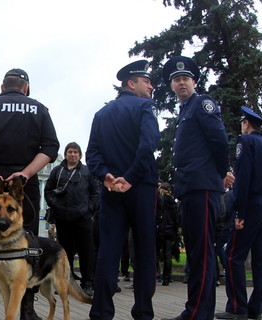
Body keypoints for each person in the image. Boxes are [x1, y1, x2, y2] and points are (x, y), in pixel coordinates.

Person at [0, 68, 59, 320]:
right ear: (25, 88)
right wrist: (25, 174)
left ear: (2, 87)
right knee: (28, 245)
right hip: (22, 188)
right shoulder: (39, 109)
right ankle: (27, 310)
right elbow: (50, 147)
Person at [86, 59, 160, 320]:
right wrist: (131, 177)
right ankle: (142, 312)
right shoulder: (146, 107)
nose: (151, 86)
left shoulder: (102, 114)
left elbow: (92, 152)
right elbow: (148, 144)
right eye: (146, 81)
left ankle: (101, 312)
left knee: (108, 250)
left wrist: (106, 176)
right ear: (132, 83)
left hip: (112, 191)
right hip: (140, 188)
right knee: (144, 250)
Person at [160, 56, 231, 320]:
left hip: (202, 187)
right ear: (171, 86)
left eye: (185, 79)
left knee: (201, 253)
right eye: (176, 80)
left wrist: (218, 175)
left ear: (194, 82)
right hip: (190, 189)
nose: (181, 83)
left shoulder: (202, 103)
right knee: (197, 251)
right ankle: (197, 309)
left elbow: (220, 141)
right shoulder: (185, 110)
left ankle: (198, 313)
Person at [215, 107, 262, 320]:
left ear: (246, 124)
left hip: (251, 203)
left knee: (234, 256)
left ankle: (237, 307)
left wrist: (239, 210)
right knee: (261, 258)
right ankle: (255, 309)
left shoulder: (245, 141)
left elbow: (243, 177)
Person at [44, 141, 99, 296]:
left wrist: (89, 209)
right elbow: (48, 191)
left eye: (75, 152)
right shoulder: (57, 171)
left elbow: (96, 193)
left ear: (80, 155)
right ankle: (65, 282)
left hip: (83, 218)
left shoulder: (88, 172)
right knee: (64, 252)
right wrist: (55, 206)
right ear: (66, 154)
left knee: (86, 251)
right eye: (70, 152)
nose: (73, 154)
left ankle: (88, 283)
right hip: (63, 218)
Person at [156, 182, 180, 286]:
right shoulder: (173, 203)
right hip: (170, 230)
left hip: (160, 229)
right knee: (168, 255)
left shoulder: (160, 200)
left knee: (155, 253)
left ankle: (155, 275)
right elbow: (176, 218)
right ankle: (167, 278)